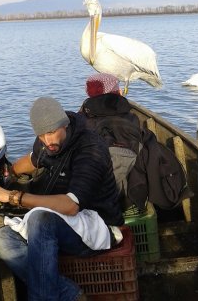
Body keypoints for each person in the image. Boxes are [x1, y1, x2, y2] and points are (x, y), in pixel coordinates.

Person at [0, 96, 124, 301]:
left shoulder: (90, 149)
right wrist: (7, 174)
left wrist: (13, 196)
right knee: (2, 239)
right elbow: (32, 160)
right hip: (64, 223)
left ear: (64, 124)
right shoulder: (47, 144)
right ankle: (71, 295)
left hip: (98, 224)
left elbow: (72, 206)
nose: (47, 141)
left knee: (41, 221)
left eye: (51, 133)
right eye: (40, 135)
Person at [79, 73, 190, 213]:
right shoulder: (132, 121)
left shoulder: (78, 124)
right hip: (127, 199)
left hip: (85, 198)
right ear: (118, 92)